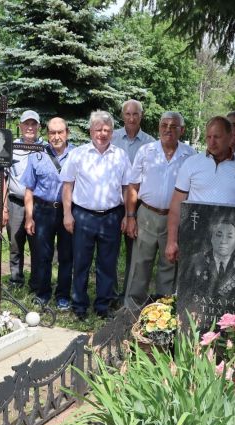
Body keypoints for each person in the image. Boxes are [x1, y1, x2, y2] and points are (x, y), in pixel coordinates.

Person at [61, 111, 130, 320]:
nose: (103, 133)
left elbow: (127, 188)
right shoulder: (78, 154)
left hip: (111, 217)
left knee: (107, 264)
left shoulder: (120, 155)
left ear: (112, 132)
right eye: (98, 129)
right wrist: (67, 214)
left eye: (107, 130)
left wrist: (128, 216)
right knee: (81, 262)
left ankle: (103, 305)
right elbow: (67, 186)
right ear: (91, 131)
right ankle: (79, 306)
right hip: (83, 216)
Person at [124, 111, 196, 308]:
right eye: (164, 125)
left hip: (174, 219)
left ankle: (163, 313)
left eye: (173, 126)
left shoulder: (190, 156)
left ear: (182, 130)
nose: (168, 130)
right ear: (158, 127)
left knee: (169, 265)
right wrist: (130, 216)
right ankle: (131, 310)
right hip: (146, 214)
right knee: (140, 265)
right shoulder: (146, 151)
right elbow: (133, 186)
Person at [165, 116, 235, 264]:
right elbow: (176, 206)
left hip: (228, 241)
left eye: (217, 137)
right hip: (194, 236)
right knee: (191, 283)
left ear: (229, 136)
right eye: (208, 137)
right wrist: (172, 240)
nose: (211, 142)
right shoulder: (191, 164)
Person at [23, 117, 75, 310]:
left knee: (66, 255)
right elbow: (29, 189)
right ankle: (43, 293)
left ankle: (63, 295)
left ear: (67, 133)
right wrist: (29, 217)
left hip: (67, 211)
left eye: (60, 132)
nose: (56, 136)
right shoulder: (37, 155)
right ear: (47, 134)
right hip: (43, 210)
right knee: (42, 255)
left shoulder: (77, 155)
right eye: (52, 132)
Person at [112, 99, 155, 300]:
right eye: (127, 114)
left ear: (141, 116)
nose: (131, 118)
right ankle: (110, 292)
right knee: (109, 250)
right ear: (122, 116)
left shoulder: (150, 143)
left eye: (135, 114)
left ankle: (128, 294)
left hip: (137, 203)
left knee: (134, 251)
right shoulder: (112, 138)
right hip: (113, 201)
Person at [7, 110, 43, 290]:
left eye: (33, 124)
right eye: (26, 124)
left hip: (38, 205)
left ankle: (36, 282)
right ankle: (16, 279)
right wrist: (4, 206)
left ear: (38, 127)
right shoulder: (10, 146)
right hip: (15, 202)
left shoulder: (44, 147)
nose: (30, 127)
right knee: (15, 243)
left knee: (37, 244)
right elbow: (2, 176)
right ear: (20, 126)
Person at [190, 221, 235, 300]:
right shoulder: (196, 261)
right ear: (212, 239)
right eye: (219, 235)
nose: (223, 241)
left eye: (229, 237)